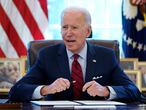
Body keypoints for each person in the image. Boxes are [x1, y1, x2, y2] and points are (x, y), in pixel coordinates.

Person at [9, 7, 141, 102]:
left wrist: (105, 91)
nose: (68, 33)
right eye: (64, 27)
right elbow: (16, 91)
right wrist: (46, 89)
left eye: (74, 27)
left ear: (88, 31)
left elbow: (134, 91)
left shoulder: (106, 56)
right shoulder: (47, 55)